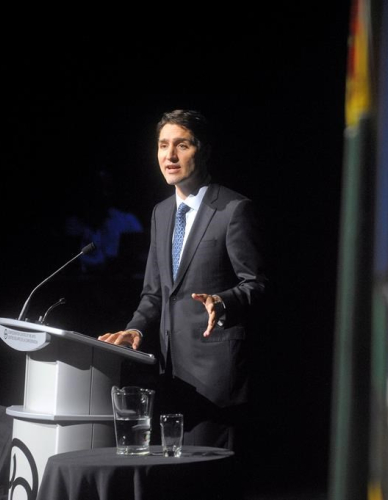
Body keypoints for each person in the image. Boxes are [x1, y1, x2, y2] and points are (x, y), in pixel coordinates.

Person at [98, 110, 268, 460]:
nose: (169, 156)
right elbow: (154, 292)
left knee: (208, 483)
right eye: (163, 146)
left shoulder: (233, 209)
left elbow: (258, 284)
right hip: (170, 379)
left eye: (182, 145)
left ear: (203, 150)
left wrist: (223, 302)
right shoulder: (161, 213)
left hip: (216, 379)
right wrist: (136, 329)